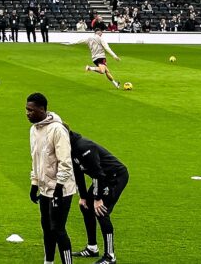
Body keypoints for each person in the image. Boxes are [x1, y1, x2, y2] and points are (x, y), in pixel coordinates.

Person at [26, 93, 76, 264]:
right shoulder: (33, 130)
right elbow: (35, 159)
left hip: (61, 189)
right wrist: (34, 184)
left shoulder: (57, 130)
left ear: (42, 109)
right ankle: (48, 261)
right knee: (47, 228)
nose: (27, 113)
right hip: (45, 189)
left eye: (31, 110)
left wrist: (59, 188)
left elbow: (65, 162)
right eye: (26, 110)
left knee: (58, 229)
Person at [68, 130, 128, 264]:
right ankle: (92, 248)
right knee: (85, 206)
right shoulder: (69, 148)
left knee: (101, 211)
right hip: (102, 178)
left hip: (115, 177)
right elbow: (77, 173)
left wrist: (97, 198)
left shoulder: (84, 147)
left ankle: (110, 256)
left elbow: (98, 174)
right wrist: (83, 196)